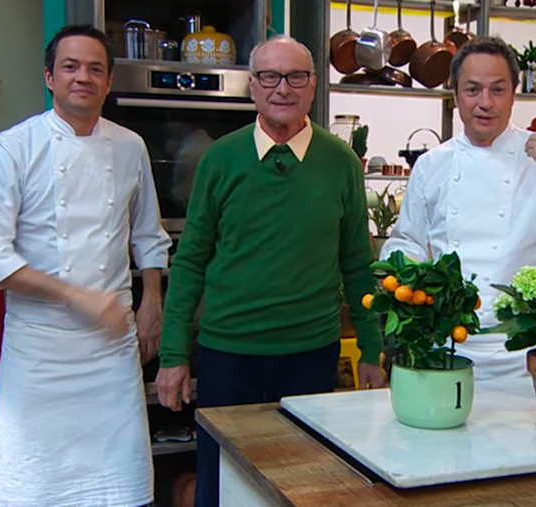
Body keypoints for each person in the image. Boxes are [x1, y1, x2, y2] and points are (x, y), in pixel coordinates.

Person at [155, 35, 385, 507]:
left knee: (303, 485)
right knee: (223, 484)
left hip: (310, 356)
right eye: (269, 77)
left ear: (314, 85)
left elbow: (358, 265)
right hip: (228, 355)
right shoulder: (220, 159)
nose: (283, 88)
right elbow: (191, 260)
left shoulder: (341, 163)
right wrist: (174, 354)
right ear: (253, 87)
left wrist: (371, 349)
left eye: (296, 76)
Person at [0, 24, 171, 507]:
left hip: (110, 351)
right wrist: (76, 296)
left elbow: (146, 234)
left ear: (109, 82)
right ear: (49, 77)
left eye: (95, 69)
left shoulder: (129, 146)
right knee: (32, 487)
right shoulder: (14, 148)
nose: (83, 77)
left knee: (120, 486)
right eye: (71, 67)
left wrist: (151, 302)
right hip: (39, 352)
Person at [380, 36, 536, 380]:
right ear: (455, 94)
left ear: (514, 93)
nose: (485, 103)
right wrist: (406, 273)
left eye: (497, 90)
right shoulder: (432, 164)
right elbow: (410, 241)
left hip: (526, 349)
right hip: (447, 347)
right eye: (472, 90)